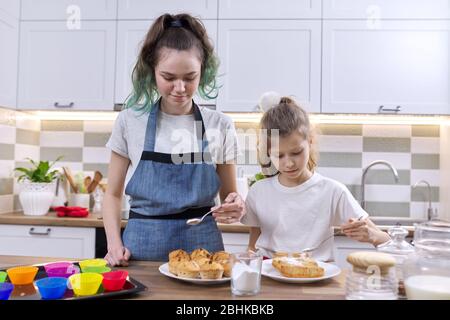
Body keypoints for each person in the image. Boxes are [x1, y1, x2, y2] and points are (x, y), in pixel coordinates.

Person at [103, 13, 245, 265]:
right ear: (152, 71)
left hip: (204, 256)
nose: (180, 88)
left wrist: (236, 205)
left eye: (190, 77)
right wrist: (114, 245)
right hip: (141, 251)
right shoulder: (129, 121)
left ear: (204, 70)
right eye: (168, 77)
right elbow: (113, 194)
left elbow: (229, 196)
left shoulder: (220, 125)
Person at [241, 96, 390, 261]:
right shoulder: (258, 192)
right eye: (279, 155)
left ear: (310, 142)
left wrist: (372, 236)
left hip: (315, 277)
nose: (289, 163)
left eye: (296, 152)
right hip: (269, 279)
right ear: (267, 152)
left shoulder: (333, 191)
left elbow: (385, 240)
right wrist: (248, 256)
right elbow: (252, 247)